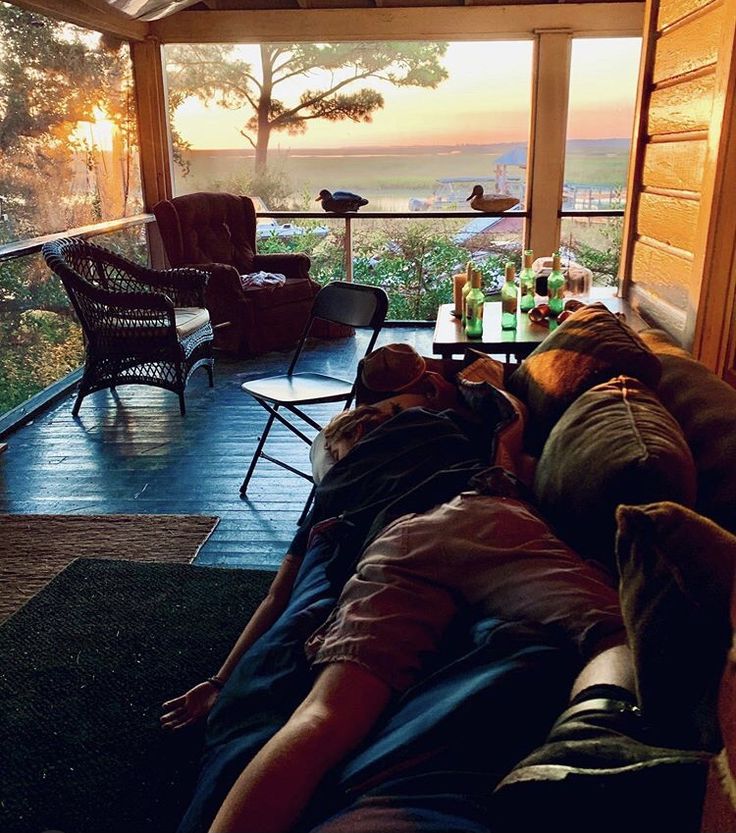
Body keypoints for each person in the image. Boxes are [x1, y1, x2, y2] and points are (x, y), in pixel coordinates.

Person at [163, 463, 639, 833]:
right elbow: (511, 452)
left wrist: (220, 680)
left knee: (321, 717)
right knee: (615, 632)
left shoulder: (343, 482)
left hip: (402, 540)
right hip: (492, 516)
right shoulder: (465, 437)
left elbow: (278, 593)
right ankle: (595, 729)